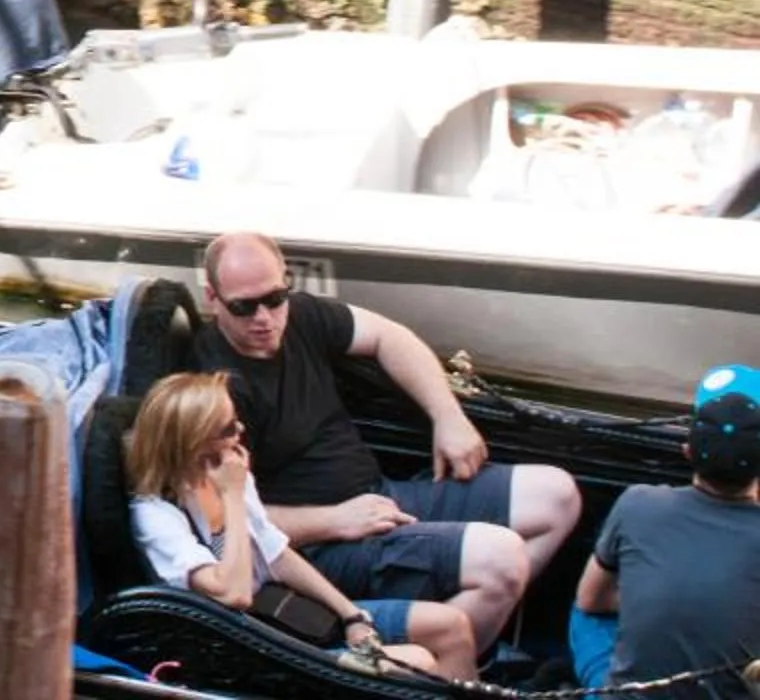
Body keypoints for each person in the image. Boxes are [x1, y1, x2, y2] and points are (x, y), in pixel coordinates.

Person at [190, 230, 581, 657]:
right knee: (501, 559)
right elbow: (228, 522)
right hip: (319, 548)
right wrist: (335, 520)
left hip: (379, 496)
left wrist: (447, 417)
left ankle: (463, 644)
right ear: (212, 297)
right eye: (244, 307)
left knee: (555, 496)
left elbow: (390, 336)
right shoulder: (215, 392)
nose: (264, 317)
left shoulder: (302, 316)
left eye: (275, 298)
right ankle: (441, 663)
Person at [124, 372, 469, 679]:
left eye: (238, 422)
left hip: (283, 613)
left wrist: (351, 615)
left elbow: (277, 555)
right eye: (229, 429)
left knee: (452, 627)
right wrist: (232, 496)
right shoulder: (157, 516)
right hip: (240, 646)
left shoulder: (229, 475)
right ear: (194, 443)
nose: (241, 433)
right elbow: (235, 594)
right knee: (418, 661)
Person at [572, 365, 760, 697]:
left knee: (583, 614)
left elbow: (591, 600)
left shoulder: (638, 503)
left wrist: (661, 599)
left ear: (686, 451)